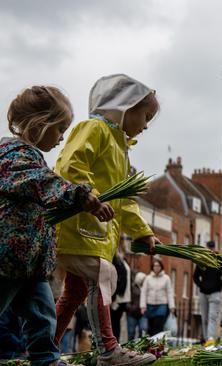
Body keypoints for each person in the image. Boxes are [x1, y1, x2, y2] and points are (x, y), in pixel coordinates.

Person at [54, 74, 159, 366]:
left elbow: (124, 201)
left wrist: (143, 232)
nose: (147, 125)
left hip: (94, 234)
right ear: (126, 107)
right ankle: (109, 351)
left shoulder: (121, 149)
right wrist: (91, 197)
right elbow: (69, 165)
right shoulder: (95, 129)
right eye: (146, 115)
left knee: (74, 292)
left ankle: (43, 351)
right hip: (78, 228)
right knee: (105, 275)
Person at [0, 86, 110, 366]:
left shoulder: (32, 157)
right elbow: (42, 182)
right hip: (7, 259)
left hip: (31, 262)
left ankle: (46, 359)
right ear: (40, 124)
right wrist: (82, 195)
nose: (62, 137)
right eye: (60, 128)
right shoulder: (12, 155)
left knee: (42, 315)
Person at [193, 240, 222, 343]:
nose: (211, 249)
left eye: (212, 247)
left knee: (212, 317)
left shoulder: (219, 260)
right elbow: (195, 276)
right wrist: (201, 285)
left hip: (215, 293)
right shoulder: (202, 260)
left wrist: (218, 285)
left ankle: (210, 338)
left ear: (214, 248)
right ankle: (206, 339)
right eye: (209, 247)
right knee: (204, 317)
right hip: (203, 293)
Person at [140, 257, 175, 335]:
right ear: (152, 267)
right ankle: (151, 344)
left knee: (158, 326)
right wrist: (143, 306)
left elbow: (170, 292)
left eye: (158, 266)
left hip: (162, 305)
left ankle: (157, 344)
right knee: (150, 328)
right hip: (150, 305)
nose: (156, 267)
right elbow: (144, 292)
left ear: (161, 267)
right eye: (155, 266)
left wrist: (172, 307)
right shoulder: (148, 278)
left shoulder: (166, 278)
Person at [110, 247, 131, 342]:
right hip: (121, 298)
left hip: (118, 298)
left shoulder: (119, 262)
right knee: (115, 323)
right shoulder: (122, 262)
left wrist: (113, 297)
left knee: (114, 323)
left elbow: (120, 281)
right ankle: (115, 343)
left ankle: (114, 343)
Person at [126, 272, 147, 340]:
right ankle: (129, 347)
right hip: (132, 313)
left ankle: (140, 347)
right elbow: (127, 298)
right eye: (143, 279)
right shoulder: (132, 287)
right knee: (131, 332)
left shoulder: (146, 287)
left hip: (142, 313)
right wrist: (130, 308)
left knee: (143, 330)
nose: (144, 281)